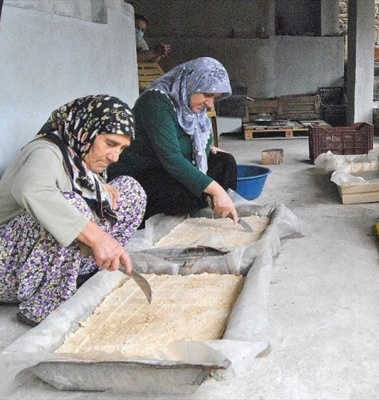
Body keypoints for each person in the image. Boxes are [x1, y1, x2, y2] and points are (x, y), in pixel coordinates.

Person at [0, 95, 146, 326]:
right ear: (85, 130)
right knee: (72, 205)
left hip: (45, 261)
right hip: (9, 267)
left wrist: (98, 187)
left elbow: (76, 184)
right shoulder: (45, 151)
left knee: (130, 189)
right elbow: (30, 189)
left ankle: (81, 274)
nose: (115, 156)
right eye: (110, 143)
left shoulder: (79, 155)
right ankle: (43, 306)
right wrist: (97, 237)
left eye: (122, 148)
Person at [109, 57, 240, 224]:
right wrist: (216, 190)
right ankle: (186, 217)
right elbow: (172, 158)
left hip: (165, 168)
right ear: (191, 83)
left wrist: (207, 147)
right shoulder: (155, 102)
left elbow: (199, 138)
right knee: (184, 192)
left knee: (224, 162)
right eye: (207, 95)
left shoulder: (190, 105)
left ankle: (221, 212)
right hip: (142, 173)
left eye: (215, 98)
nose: (209, 104)